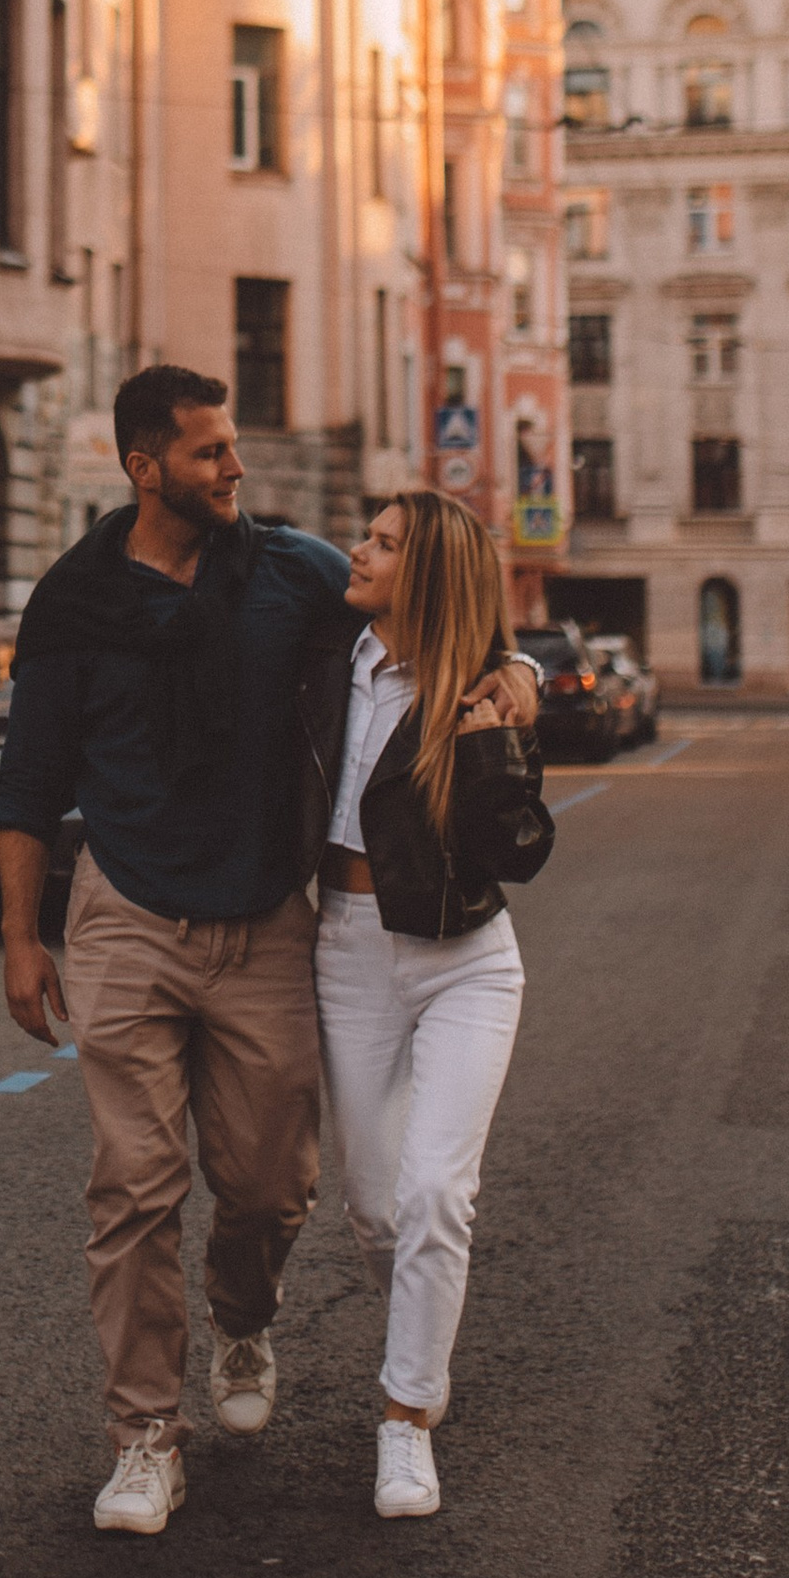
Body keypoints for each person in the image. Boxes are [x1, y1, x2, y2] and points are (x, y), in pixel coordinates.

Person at [0, 367, 537, 1538]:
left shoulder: (286, 569)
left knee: (268, 1185)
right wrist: (19, 936)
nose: (235, 468)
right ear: (144, 469)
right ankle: (143, 1435)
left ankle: (243, 1315)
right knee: (133, 1182)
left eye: (233, 447)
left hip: (270, 925)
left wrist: (520, 667)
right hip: (125, 913)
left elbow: (434, 621)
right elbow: (27, 782)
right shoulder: (74, 601)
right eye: (209, 454)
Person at [313, 486, 554, 1523]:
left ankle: (405, 1414)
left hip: (466, 960)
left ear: (429, 573)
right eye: (364, 534)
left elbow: (524, 853)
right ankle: (425, 1328)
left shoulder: (478, 690)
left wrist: (498, 733)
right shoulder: (325, 657)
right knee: (373, 1204)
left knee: (435, 1195)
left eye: (380, 541)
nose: (356, 550)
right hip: (346, 949)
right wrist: (528, 663)